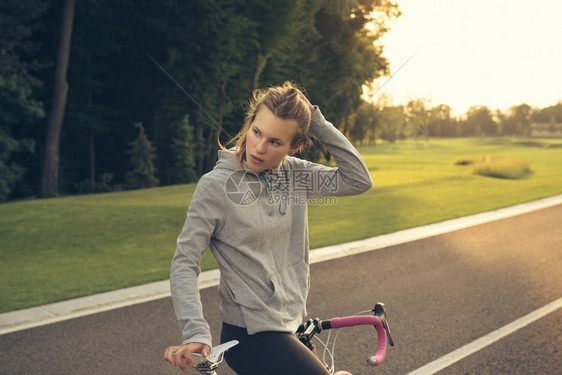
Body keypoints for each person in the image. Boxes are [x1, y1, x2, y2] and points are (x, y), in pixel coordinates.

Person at [164, 82, 372, 374]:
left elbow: (358, 180)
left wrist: (319, 125)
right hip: (250, 335)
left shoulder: (295, 175)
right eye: (257, 132)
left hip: (291, 326)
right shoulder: (215, 187)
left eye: (275, 142)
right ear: (248, 125)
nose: (259, 148)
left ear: (294, 146)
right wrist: (195, 331)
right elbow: (184, 262)